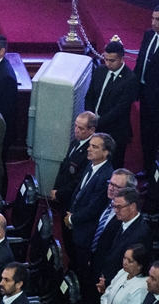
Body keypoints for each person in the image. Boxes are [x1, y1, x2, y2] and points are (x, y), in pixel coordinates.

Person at [65, 133, 115, 272]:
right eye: (89, 145)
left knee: (82, 269)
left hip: (86, 232)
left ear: (106, 152)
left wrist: (72, 218)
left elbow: (94, 208)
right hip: (76, 220)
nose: (89, 149)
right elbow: (78, 191)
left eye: (94, 147)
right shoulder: (91, 164)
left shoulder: (106, 176)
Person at [85, 41, 139, 170]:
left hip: (115, 131)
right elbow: (90, 95)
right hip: (95, 125)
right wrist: (90, 116)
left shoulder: (130, 79)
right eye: (106, 59)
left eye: (112, 60)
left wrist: (97, 123)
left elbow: (120, 109)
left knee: (113, 165)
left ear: (122, 58)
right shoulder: (99, 71)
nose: (108, 63)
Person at [93, 181, 150, 290]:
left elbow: (132, 267)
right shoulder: (122, 221)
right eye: (114, 206)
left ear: (132, 206)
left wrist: (109, 282)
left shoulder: (141, 234)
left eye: (119, 207)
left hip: (120, 286)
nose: (115, 211)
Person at [49, 111, 96, 211]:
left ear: (91, 130)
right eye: (75, 126)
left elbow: (79, 180)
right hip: (63, 193)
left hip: (72, 199)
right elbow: (65, 167)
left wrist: (59, 193)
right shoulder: (75, 142)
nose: (76, 130)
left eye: (81, 128)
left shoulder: (91, 150)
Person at [140, 10, 159, 179]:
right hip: (144, 93)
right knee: (145, 134)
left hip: (157, 99)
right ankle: (146, 169)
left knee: (155, 137)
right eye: (153, 18)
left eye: (158, 20)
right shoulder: (148, 34)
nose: (154, 23)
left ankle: (153, 176)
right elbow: (141, 60)